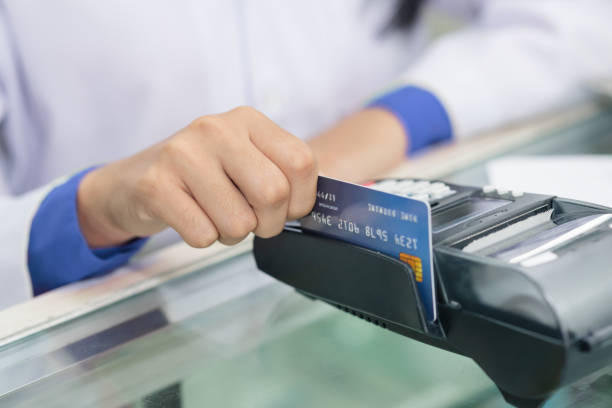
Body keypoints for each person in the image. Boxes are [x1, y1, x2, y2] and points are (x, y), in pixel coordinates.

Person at [1, 0, 611, 309]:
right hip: (105, 340)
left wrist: (394, 120)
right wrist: (93, 211)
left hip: (374, 307)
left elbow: (576, 18)